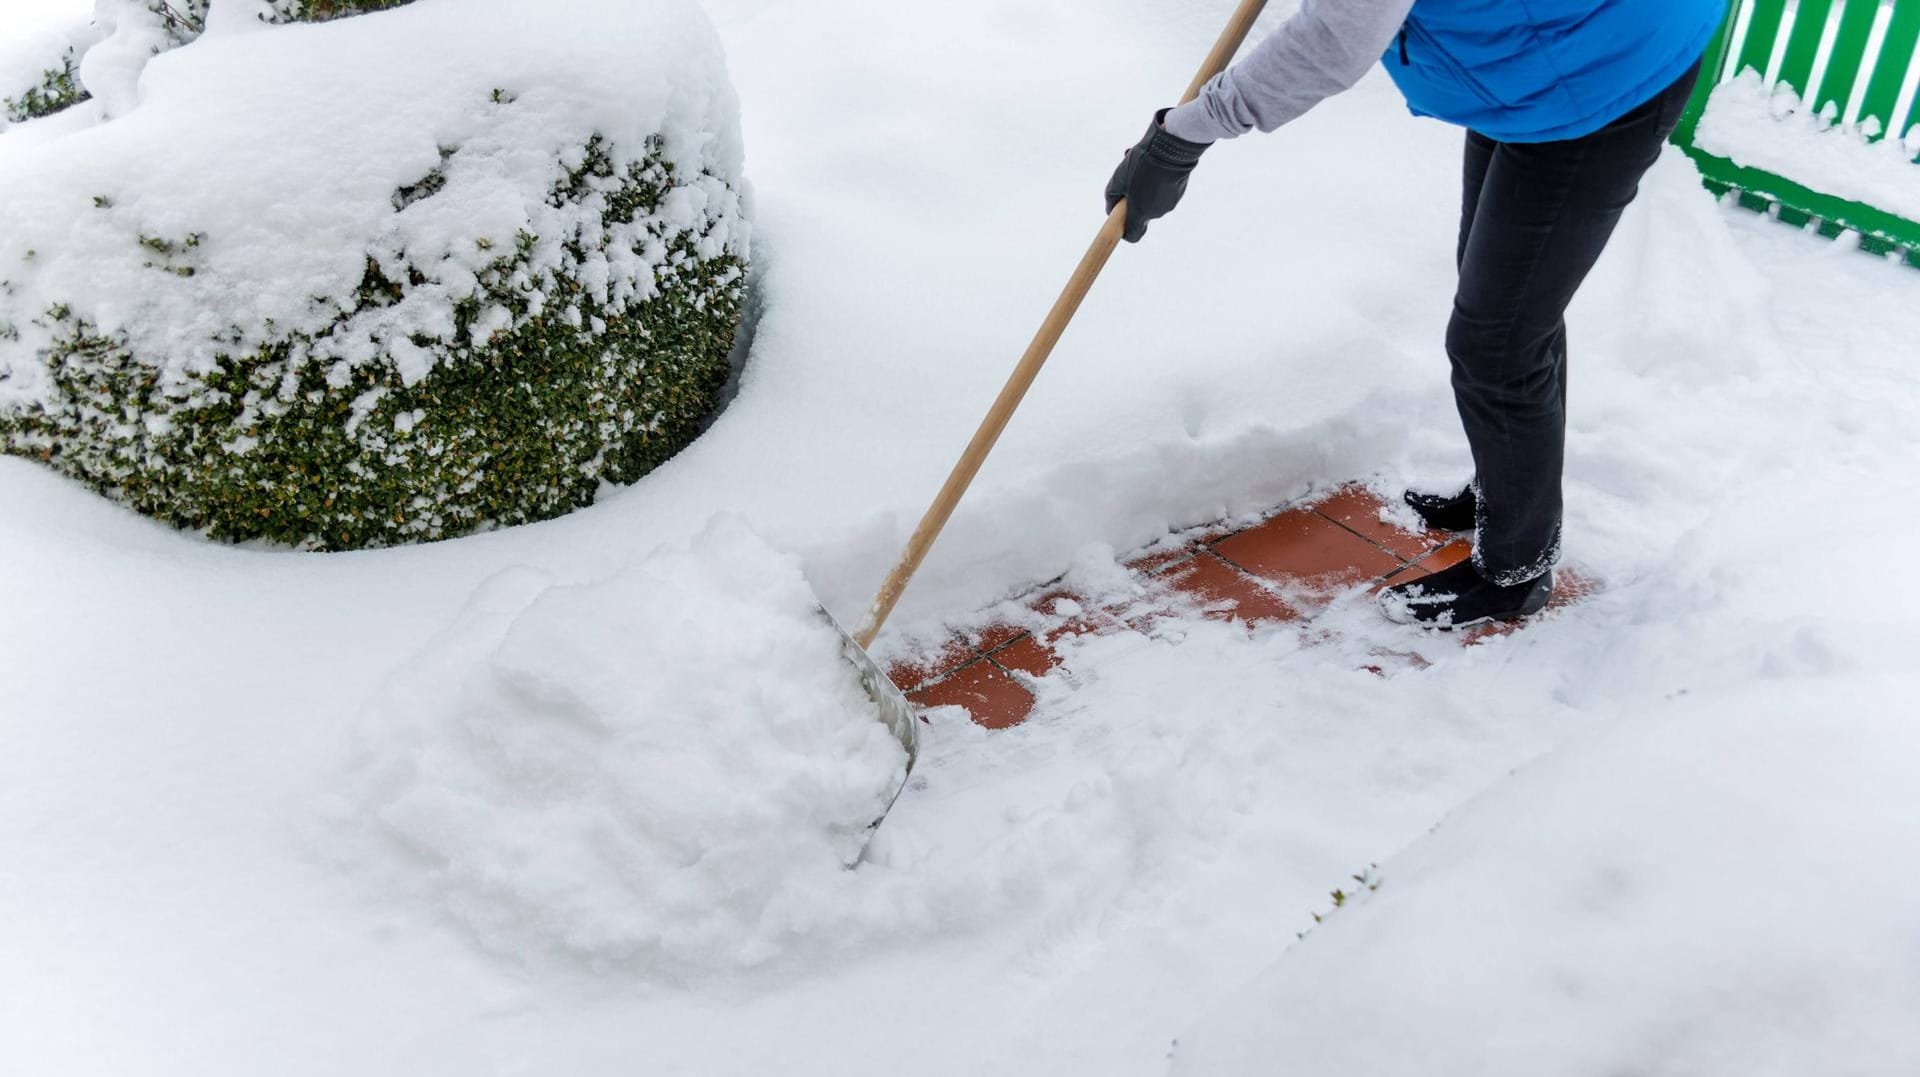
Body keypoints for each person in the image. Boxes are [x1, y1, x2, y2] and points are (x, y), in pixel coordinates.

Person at [1105, 0, 1725, 629]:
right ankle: (1510, 500)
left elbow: (1336, 38)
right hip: (1535, 55)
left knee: (1499, 339)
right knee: (1508, 311)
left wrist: (1185, 135)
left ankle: (1515, 568)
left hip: (1601, 73)